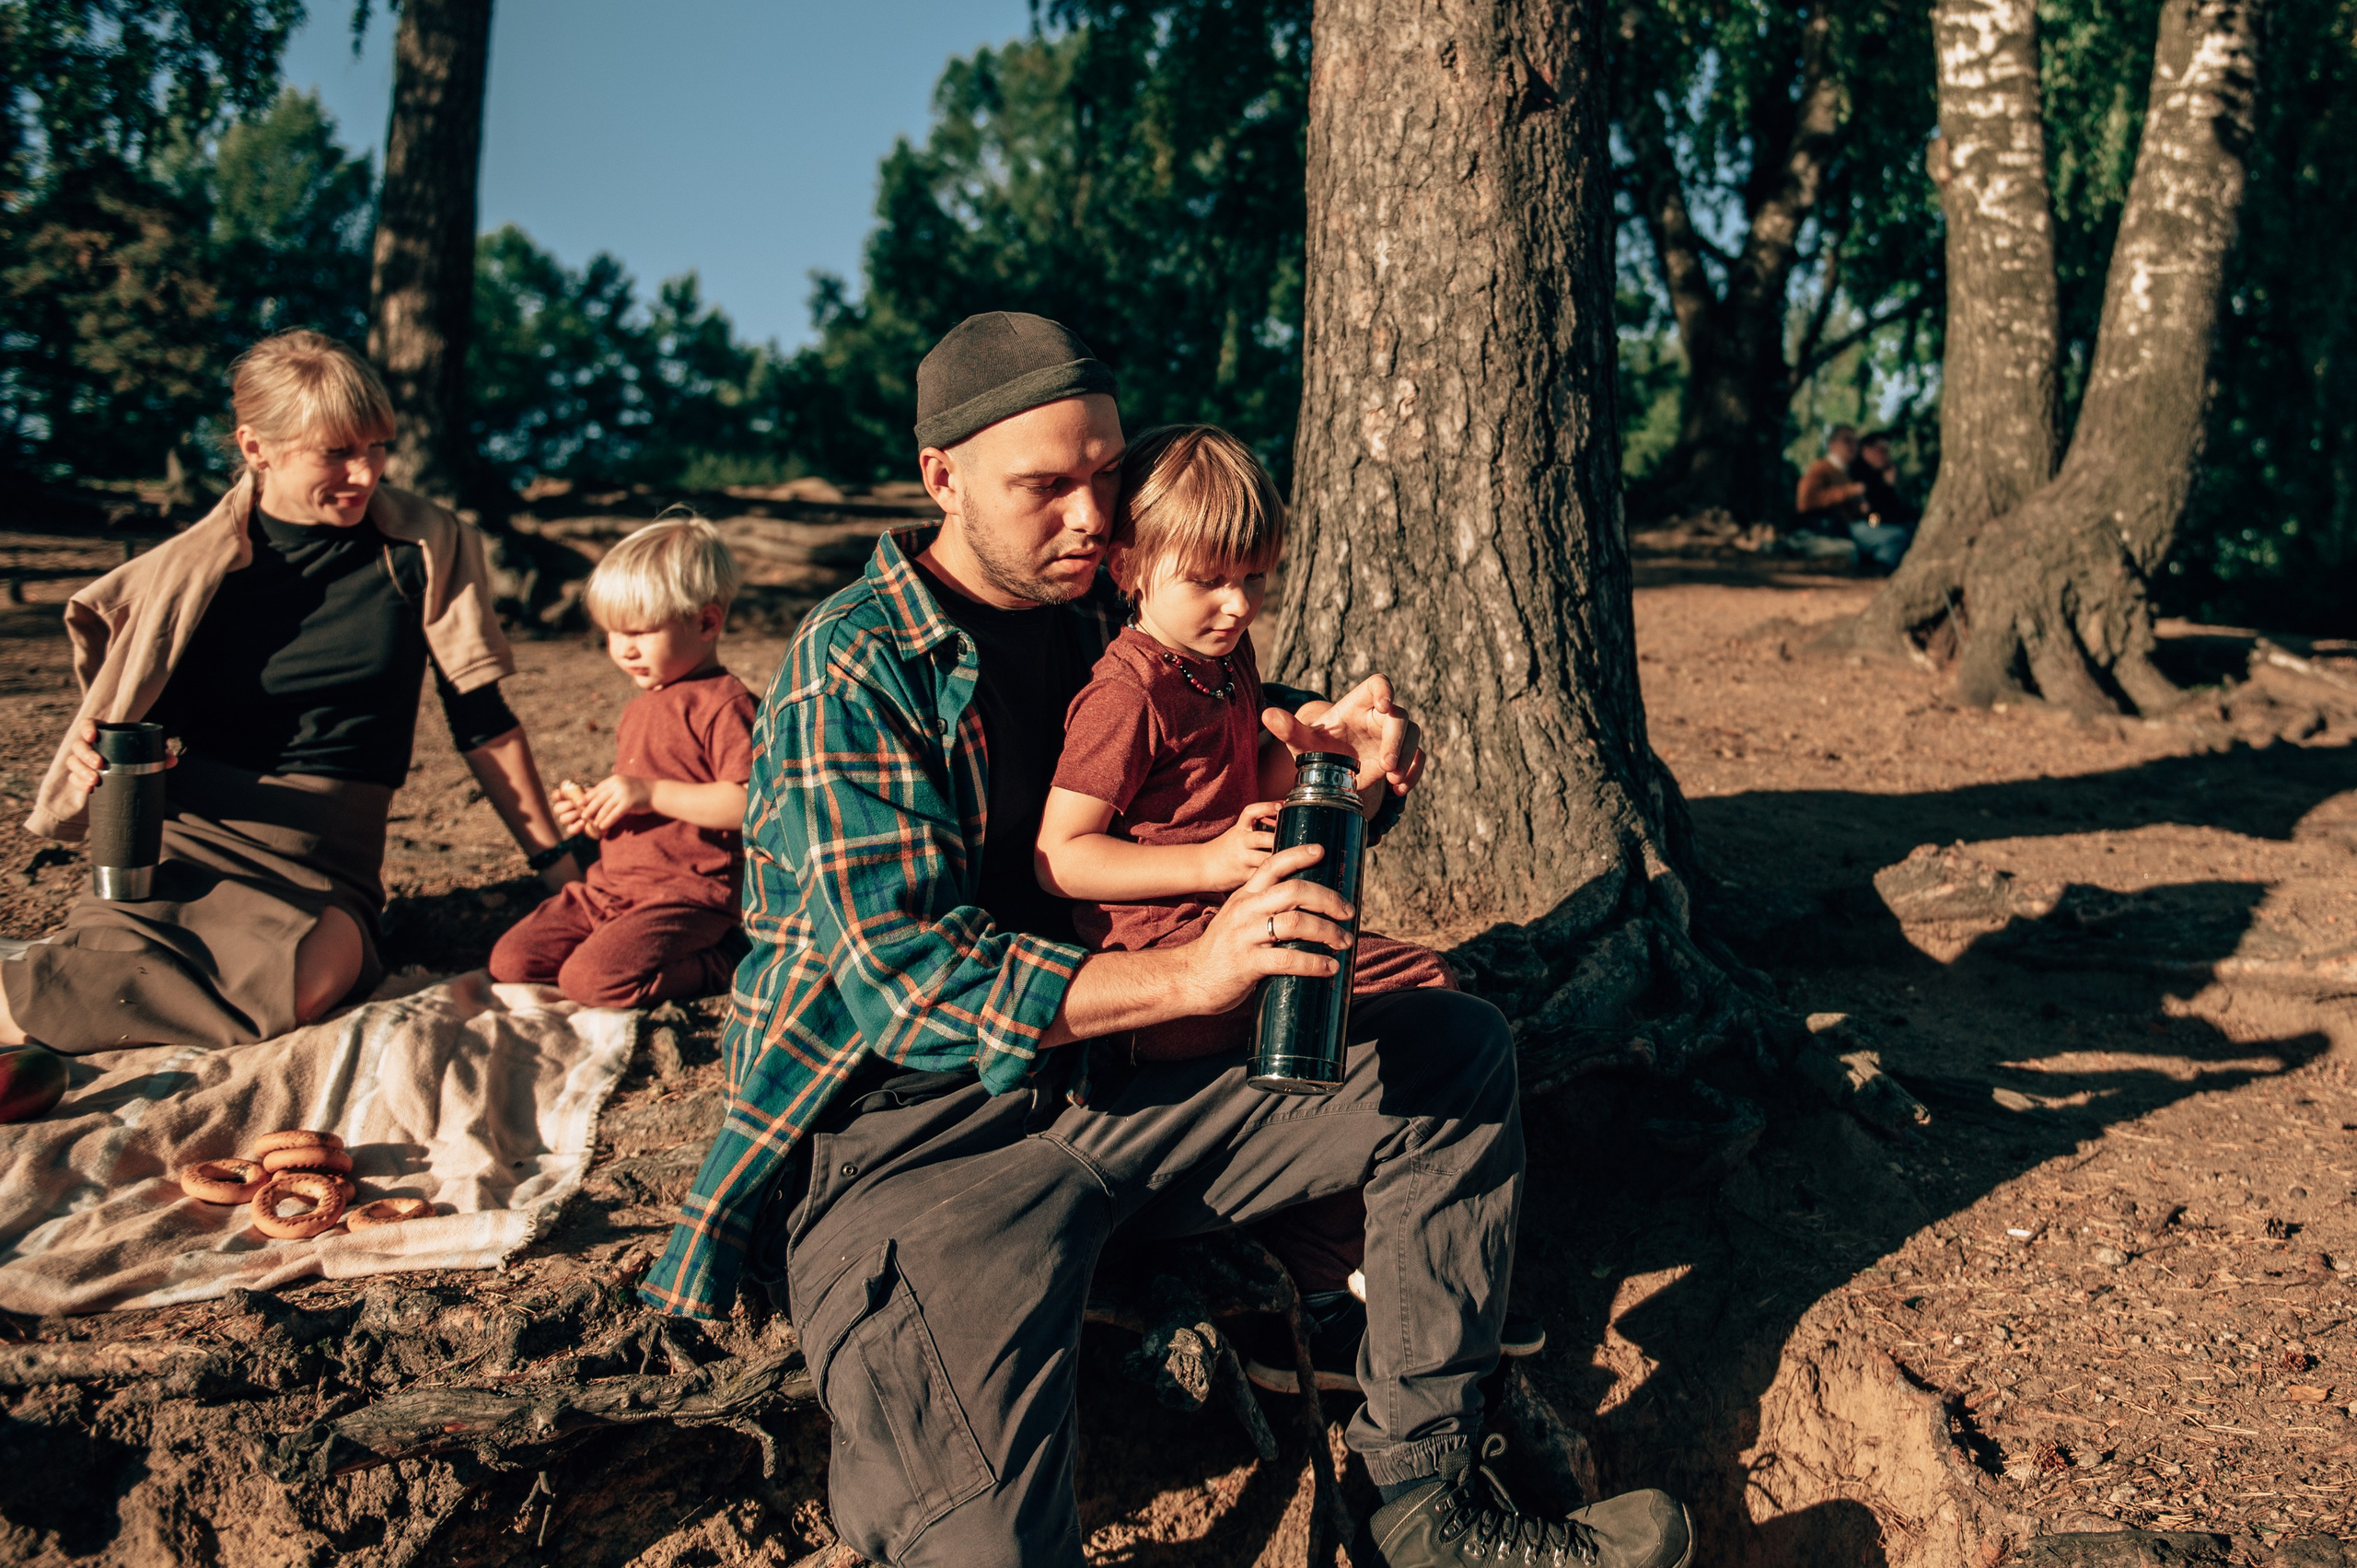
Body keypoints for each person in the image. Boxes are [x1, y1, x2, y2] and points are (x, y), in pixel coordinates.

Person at [641, 311, 1691, 1568]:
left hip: (1130, 1080)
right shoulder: (853, 665)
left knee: (1452, 1054)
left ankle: (1424, 1499)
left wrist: (1338, 761)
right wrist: (1195, 968)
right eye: (1048, 486)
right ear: (941, 477)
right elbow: (905, 981)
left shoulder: (1102, 615)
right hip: (918, 1145)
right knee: (984, 1545)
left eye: (1105, 474)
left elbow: (1214, 742)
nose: (1094, 516)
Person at [1034, 422, 1541, 1394]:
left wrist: (1341, 757)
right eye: (1210, 581)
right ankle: (1326, 1292)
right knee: (1422, 998)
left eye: (1255, 581)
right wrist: (1214, 857)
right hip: (1170, 977)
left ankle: (1332, 1280)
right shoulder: (1125, 689)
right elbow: (1063, 855)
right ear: (1130, 567)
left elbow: (1249, 783)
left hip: (1239, 924)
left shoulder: (1219, 659)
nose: (1236, 605)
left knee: (1413, 1001)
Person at [0, 331, 579, 1053]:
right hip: (189, 839)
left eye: (376, 446)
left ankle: (33, 997)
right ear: (255, 448)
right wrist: (94, 761)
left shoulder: (425, 544)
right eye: (336, 451)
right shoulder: (189, 574)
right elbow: (130, 728)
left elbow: (482, 719)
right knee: (138, 952)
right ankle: (31, 998)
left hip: (326, 857)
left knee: (311, 981)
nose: (365, 474)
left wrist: (560, 869)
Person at [489, 514, 756, 1007]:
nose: (625, 650)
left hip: (687, 894)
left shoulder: (724, 703)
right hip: (611, 887)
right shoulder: (642, 705)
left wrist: (647, 793)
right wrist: (597, 814)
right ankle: (625, 948)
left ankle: (727, 959)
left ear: (706, 621)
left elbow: (749, 804)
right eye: (614, 634)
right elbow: (645, 801)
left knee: (590, 981)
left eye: (641, 632)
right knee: (512, 962)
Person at [1845, 429, 1917, 574]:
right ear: (1866, 450)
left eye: (1887, 451)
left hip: (1873, 525)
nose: (1886, 456)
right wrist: (1887, 487)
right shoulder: (1857, 474)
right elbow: (1871, 513)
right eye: (1881, 450)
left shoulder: (1880, 475)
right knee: (1899, 535)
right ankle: (1879, 564)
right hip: (1859, 526)